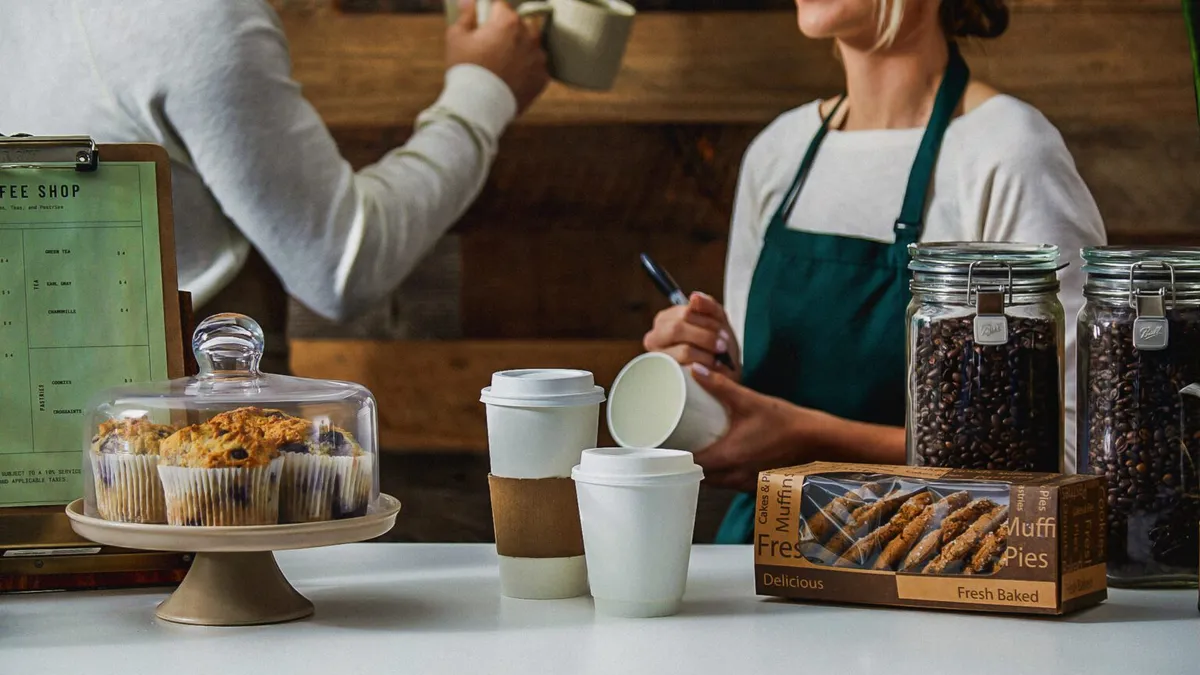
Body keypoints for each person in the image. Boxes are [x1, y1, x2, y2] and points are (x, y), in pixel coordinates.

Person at [642, 0, 1107, 543]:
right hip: (759, 567)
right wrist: (710, 374)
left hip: (936, 569)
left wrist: (810, 444)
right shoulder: (778, 154)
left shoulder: (1008, 153)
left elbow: (1074, 454)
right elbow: (761, 397)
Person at [0, 0, 547, 371]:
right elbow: (342, 264)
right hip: (184, 478)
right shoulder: (189, 18)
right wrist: (483, 89)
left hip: (41, 475)